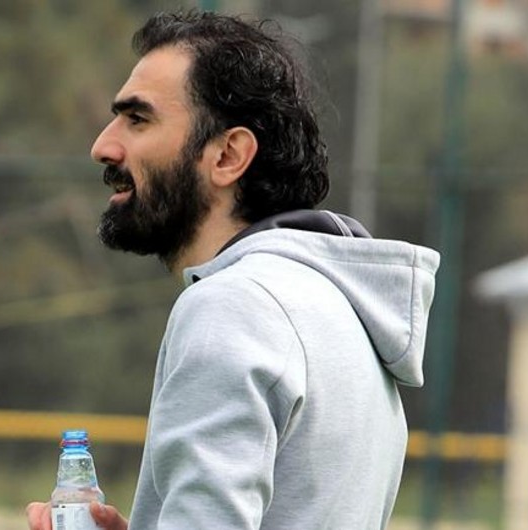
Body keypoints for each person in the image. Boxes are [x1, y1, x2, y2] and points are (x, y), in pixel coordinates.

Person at [27, 9, 439, 530]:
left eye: (138, 119)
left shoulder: (231, 306)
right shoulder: (343, 315)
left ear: (227, 155)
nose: (103, 146)